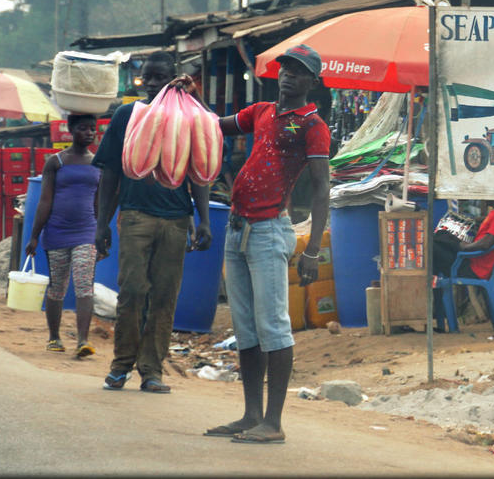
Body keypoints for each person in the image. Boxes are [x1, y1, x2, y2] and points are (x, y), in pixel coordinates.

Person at [200, 44, 330, 444]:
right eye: (285, 68)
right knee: (246, 327)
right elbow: (213, 125)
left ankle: (273, 421)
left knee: (273, 326)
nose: (289, 75)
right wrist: (183, 100)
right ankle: (251, 414)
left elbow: (324, 189)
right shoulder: (261, 112)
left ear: (312, 81)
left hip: (270, 229)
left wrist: (311, 252)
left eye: (298, 71)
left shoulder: (311, 125)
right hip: (239, 228)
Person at [93, 50, 212, 394]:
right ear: (141, 80)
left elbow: (199, 171)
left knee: (164, 296)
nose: (154, 84)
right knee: (131, 292)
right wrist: (102, 224)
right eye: (149, 77)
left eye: (162, 77)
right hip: (134, 217)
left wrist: (203, 219)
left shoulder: (190, 116)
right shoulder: (127, 115)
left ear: (173, 78)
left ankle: (152, 370)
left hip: (176, 220)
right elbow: (110, 173)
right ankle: (121, 366)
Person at [24, 113, 101, 358]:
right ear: (71, 131)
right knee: (57, 288)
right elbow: (45, 200)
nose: (89, 133)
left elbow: (100, 202)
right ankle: (54, 337)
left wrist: (102, 232)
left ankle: (82, 341)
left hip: (86, 232)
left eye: (92, 129)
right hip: (56, 232)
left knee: (84, 286)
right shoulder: (55, 162)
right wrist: (34, 235)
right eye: (83, 128)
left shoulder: (98, 162)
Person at [432, 201, 494, 280]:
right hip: (471, 260)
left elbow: (486, 244)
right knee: (442, 234)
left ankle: (434, 291)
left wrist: (464, 246)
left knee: (432, 247)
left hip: (474, 268)